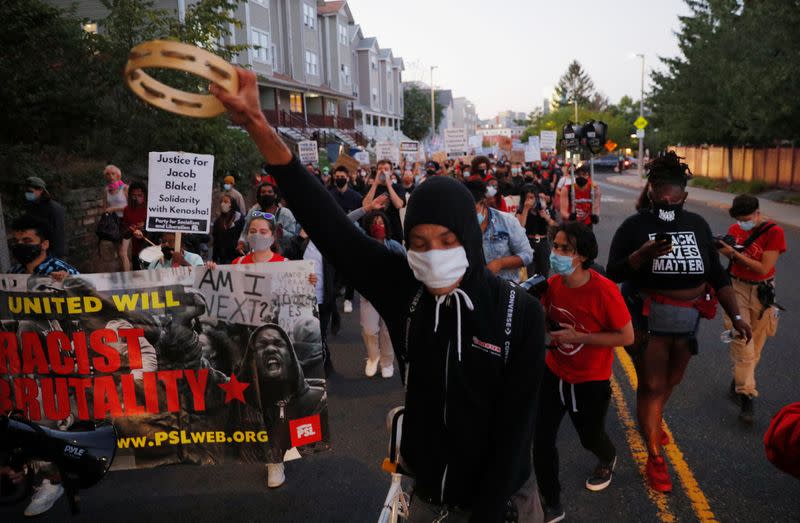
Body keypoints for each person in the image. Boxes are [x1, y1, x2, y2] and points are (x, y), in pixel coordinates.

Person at [211, 69, 547, 522]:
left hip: (502, 502)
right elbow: (327, 222)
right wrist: (257, 125)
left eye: (448, 241)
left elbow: (516, 430)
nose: (434, 256)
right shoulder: (403, 286)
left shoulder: (518, 314)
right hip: (425, 495)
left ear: (469, 238)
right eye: (421, 244)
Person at [606, 152, 751, 492]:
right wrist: (642, 255)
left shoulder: (697, 225)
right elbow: (613, 271)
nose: (668, 200)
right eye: (661, 193)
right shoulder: (635, 226)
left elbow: (718, 276)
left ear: (684, 196)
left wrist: (738, 315)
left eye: (675, 195)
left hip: (688, 324)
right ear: (652, 192)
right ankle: (655, 456)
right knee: (653, 385)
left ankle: (652, 420)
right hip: (647, 321)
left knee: (670, 381)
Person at [533, 223, 634, 522]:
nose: (556, 253)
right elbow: (547, 322)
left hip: (590, 380)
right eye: (556, 246)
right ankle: (551, 500)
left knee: (589, 437)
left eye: (566, 249)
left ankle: (607, 457)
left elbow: (627, 337)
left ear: (583, 256)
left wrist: (581, 338)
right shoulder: (552, 285)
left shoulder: (604, 291)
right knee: (541, 440)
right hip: (554, 373)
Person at [716, 194, 786, 423]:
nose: (742, 223)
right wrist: (722, 248)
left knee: (756, 346)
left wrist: (734, 253)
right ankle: (747, 397)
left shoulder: (774, 232)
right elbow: (733, 259)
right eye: (739, 219)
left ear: (757, 213)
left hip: (762, 292)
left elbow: (764, 267)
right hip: (736, 288)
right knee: (742, 338)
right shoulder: (734, 228)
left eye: (746, 218)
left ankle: (738, 381)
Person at [235, 324, 327, 488]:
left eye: (278, 343)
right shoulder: (236, 398)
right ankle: (274, 460)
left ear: (290, 354)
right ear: (252, 358)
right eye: (262, 345)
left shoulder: (317, 400)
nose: (270, 349)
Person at [360, 211, 406, 378]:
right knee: (369, 329)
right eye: (374, 222)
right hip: (368, 294)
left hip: (391, 294)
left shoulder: (394, 246)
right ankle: (373, 357)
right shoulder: (363, 245)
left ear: (387, 226)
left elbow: (406, 269)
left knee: (387, 331)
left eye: (381, 222)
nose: (378, 225)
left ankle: (387, 363)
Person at [466, 179, 534, 283]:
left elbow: (527, 255)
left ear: (483, 202)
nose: (468, 214)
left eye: (472, 209)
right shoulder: (460, 225)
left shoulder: (507, 221)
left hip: (505, 290)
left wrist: (500, 263)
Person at [9, 215, 78, 280]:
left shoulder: (62, 272)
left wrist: (66, 281)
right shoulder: (13, 272)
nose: (19, 244)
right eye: (16, 241)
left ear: (45, 244)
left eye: (27, 240)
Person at [239, 182, 299, 256]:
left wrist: (281, 232)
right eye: (263, 192)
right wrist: (241, 243)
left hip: (281, 257)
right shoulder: (254, 212)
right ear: (259, 195)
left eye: (270, 192)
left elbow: (293, 238)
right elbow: (245, 231)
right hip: (257, 255)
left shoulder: (285, 213)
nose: (266, 194)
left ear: (275, 195)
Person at [518, 184, 558, 277]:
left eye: (532, 197)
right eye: (527, 198)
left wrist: (546, 218)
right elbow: (520, 227)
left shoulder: (543, 209)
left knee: (544, 271)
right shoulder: (521, 210)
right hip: (528, 243)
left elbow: (555, 225)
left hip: (543, 242)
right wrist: (526, 209)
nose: (530, 200)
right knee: (529, 273)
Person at [362, 160, 406, 244]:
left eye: (386, 169)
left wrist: (389, 185)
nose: (382, 171)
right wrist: (375, 184)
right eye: (380, 169)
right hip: (374, 230)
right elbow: (365, 205)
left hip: (394, 230)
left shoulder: (398, 187)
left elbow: (399, 205)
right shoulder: (370, 187)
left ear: (391, 172)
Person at [22, 176, 67, 259]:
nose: (27, 194)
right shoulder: (35, 206)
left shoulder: (48, 208)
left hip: (50, 254)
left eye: (30, 191)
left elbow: (55, 234)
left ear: (40, 190)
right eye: (26, 191)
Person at [120, 181, 149, 271]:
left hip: (150, 249)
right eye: (134, 195)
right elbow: (125, 229)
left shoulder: (151, 208)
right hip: (135, 250)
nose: (136, 198)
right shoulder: (127, 209)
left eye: (140, 195)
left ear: (145, 195)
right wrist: (132, 230)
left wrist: (143, 230)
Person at [211, 194, 245, 264]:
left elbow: (244, 234)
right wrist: (214, 259)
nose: (223, 204)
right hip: (222, 258)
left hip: (237, 257)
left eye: (226, 202)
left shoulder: (239, 219)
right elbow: (216, 241)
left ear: (232, 204)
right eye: (222, 202)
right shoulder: (218, 221)